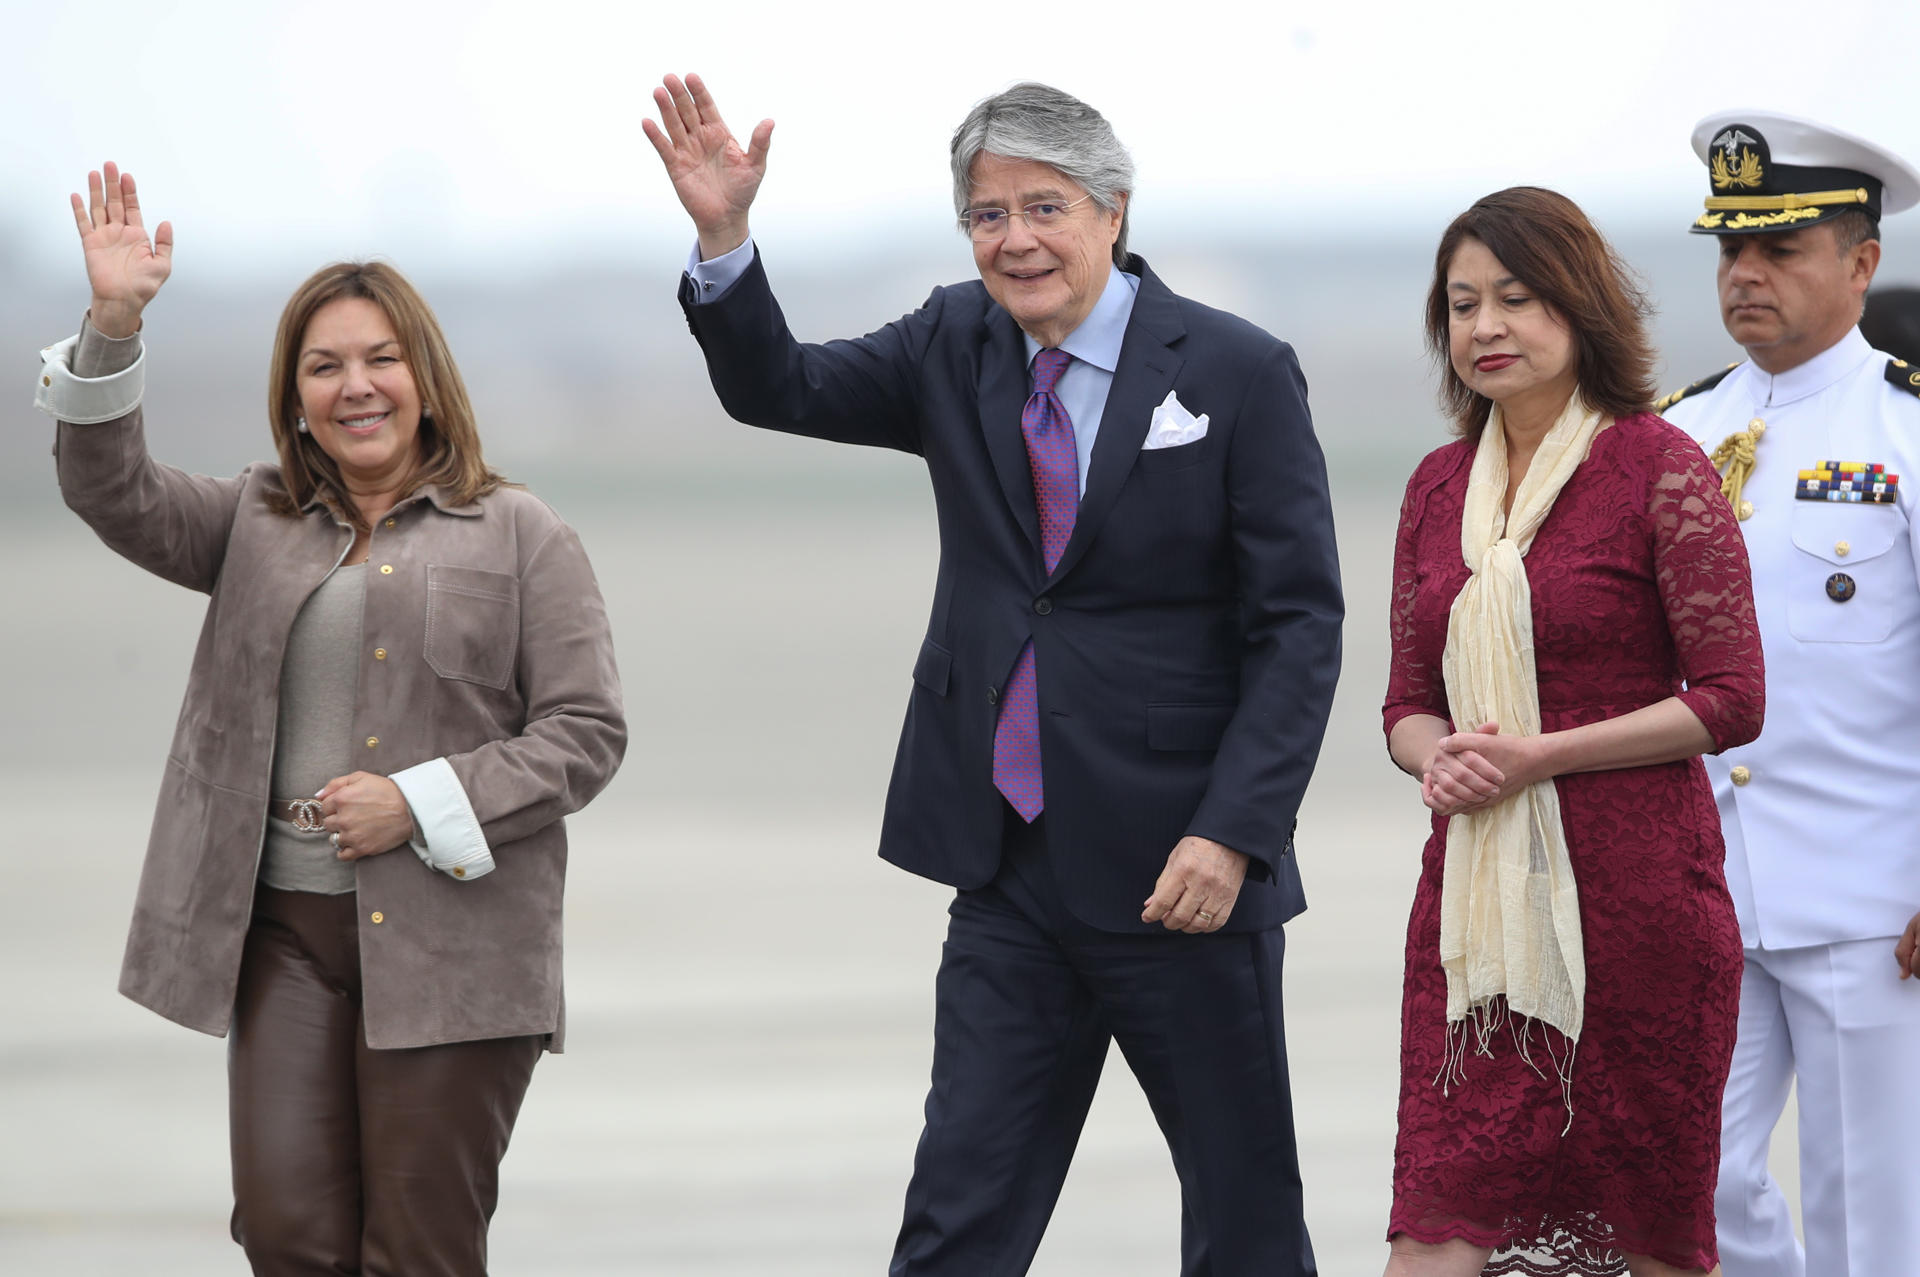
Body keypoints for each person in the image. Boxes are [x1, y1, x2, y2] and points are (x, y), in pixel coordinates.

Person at [646, 75, 1342, 1275]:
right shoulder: (951, 338)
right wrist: (724, 240)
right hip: (1007, 865)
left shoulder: (1234, 369)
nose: (1014, 239)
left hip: (1184, 875)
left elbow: (1299, 626)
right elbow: (781, 386)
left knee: (1245, 1225)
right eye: (986, 215)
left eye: (1044, 206)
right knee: (957, 1219)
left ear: (1113, 209)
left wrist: (1235, 833)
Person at [36, 163, 627, 1276]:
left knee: (418, 1250)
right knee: (287, 1234)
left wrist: (420, 799)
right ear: (295, 394)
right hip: (283, 941)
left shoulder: (520, 533)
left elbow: (586, 730)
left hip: (458, 955)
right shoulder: (251, 519)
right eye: (324, 366)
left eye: (379, 359)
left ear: (426, 377)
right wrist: (112, 327)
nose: (355, 385)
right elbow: (109, 489)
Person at [1382, 187, 1764, 1277]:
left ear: (1579, 308)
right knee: (1434, 1231)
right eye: (1461, 305)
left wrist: (1538, 754)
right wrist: (1439, 754)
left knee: (1656, 1245)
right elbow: (1406, 703)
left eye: (1516, 296)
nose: (1485, 326)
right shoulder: (1436, 487)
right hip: (1474, 923)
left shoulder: (1660, 466)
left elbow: (1733, 695)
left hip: (1639, 910)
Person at [1655, 110, 1920, 1277]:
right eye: (1730, 249)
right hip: (1706, 885)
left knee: (1872, 1212)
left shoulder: (1905, 426)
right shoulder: (1675, 433)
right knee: (1688, 1179)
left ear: (1862, 262)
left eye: (1782, 249)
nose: (1745, 276)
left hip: (1875, 900)